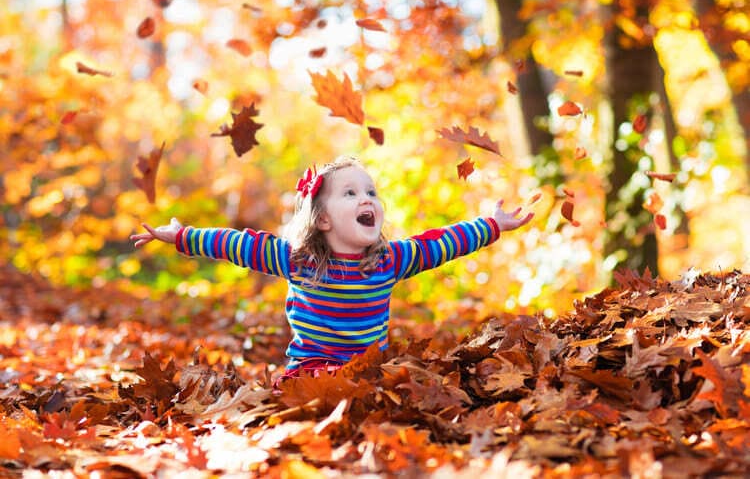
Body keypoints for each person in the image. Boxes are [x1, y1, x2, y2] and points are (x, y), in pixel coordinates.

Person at [130, 156, 533, 385]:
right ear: (322, 220)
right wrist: (182, 236)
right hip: (310, 369)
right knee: (309, 393)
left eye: (371, 192)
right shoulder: (296, 260)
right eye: (352, 193)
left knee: (405, 385)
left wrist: (491, 224)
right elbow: (235, 244)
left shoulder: (390, 261)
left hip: (372, 369)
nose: (367, 199)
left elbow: (445, 242)